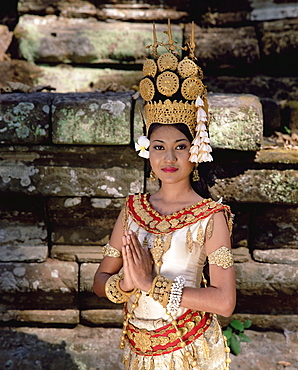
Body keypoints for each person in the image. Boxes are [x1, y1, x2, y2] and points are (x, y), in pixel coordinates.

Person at [93, 20, 236, 370]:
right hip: (138, 351)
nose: (168, 158)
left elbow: (224, 302)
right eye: (159, 146)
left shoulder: (209, 216)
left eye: (180, 146)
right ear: (148, 150)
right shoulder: (133, 210)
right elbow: (100, 282)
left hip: (190, 352)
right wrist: (125, 283)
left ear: (196, 149)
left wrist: (150, 284)